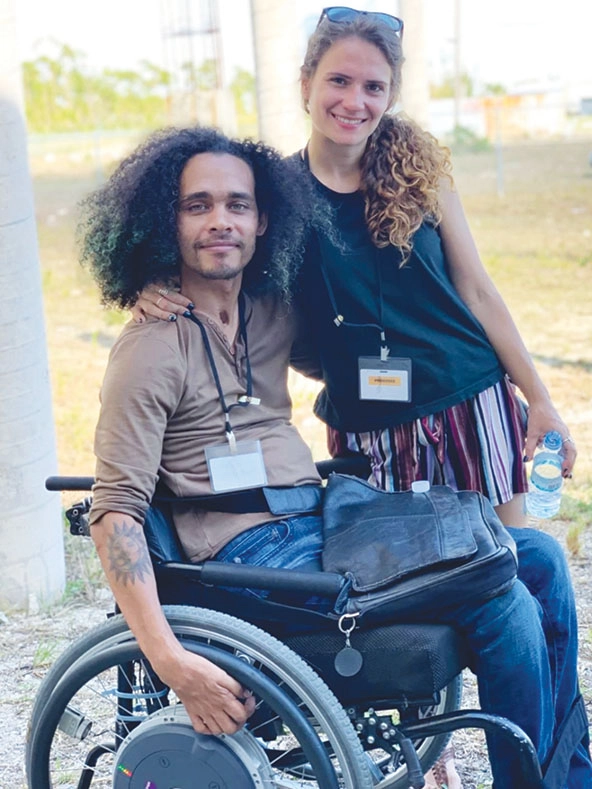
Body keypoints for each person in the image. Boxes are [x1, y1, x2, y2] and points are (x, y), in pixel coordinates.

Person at [133, 8, 588, 787]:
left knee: (517, 577)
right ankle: (428, 753)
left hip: (469, 403)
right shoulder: (277, 194)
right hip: (371, 436)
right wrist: (151, 279)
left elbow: (478, 288)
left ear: (391, 93)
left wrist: (536, 397)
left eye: (374, 85)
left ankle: (559, 764)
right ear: (306, 83)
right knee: (407, 589)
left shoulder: (417, 167)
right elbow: (227, 266)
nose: (356, 100)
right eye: (339, 80)